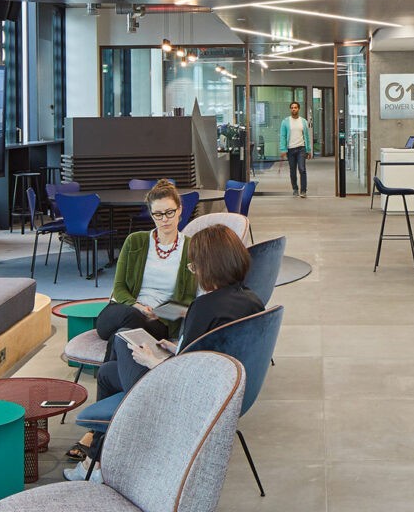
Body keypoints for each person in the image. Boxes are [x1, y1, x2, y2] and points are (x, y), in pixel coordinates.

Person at [64, 224, 264, 481]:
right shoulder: (251, 299)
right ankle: (98, 459)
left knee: (121, 337)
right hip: (222, 388)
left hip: (183, 396)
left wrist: (152, 361)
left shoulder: (204, 307)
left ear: (210, 266)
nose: (195, 272)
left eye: (195, 266)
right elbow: (209, 349)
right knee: (106, 373)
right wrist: (177, 348)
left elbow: (183, 374)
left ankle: (103, 458)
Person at [64, 178, 198, 463]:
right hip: (121, 312)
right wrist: (137, 305)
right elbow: (120, 287)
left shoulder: (191, 247)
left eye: (170, 212)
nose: (165, 219)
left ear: (181, 210)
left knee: (123, 335)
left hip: (158, 323)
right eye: (158, 214)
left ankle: (96, 433)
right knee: (126, 321)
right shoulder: (136, 241)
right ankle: (113, 427)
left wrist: (158, 311)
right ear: (151, 215)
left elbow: (187, 299)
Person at [280, 101, 312, 197]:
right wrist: (283, 149)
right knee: (292, 171)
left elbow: (306, 136)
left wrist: (308, 150)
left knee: (302, 169)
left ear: (299, 109)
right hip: (290, 149)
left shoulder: (303, 121)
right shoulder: (285, 122)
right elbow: (283, 136)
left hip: (301, 148)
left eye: (295, 107)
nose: (294, 109)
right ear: (290, 109)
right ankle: (295, 189)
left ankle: (303, 191)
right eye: (292, 107)